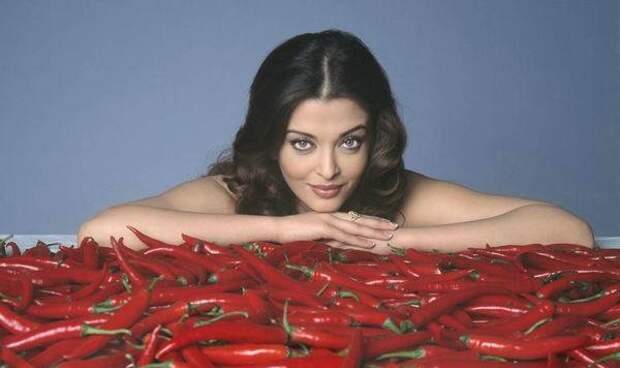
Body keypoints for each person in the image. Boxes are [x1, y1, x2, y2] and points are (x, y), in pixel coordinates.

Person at [77, 29, 595, 254]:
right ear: (271, 141)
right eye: (302, 144)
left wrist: (393, 241)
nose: (327, 171)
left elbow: (567, 230)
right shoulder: (235, 194)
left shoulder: (397, 196)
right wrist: (285, 230)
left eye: (349, 143)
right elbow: (99, 232)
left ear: (376, 137)